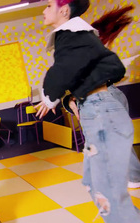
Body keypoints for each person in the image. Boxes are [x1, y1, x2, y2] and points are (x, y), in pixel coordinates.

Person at [35, 0, 140, 222]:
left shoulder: (69, 35)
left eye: (48, 6)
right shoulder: (80, 37)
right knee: (95, 184)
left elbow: (62, 70)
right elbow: (107, 68)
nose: (43, 11)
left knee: (105, 189)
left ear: (63, 10)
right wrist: (69, 99)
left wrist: (49, 97)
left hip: (100, 107)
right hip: (99, 104)